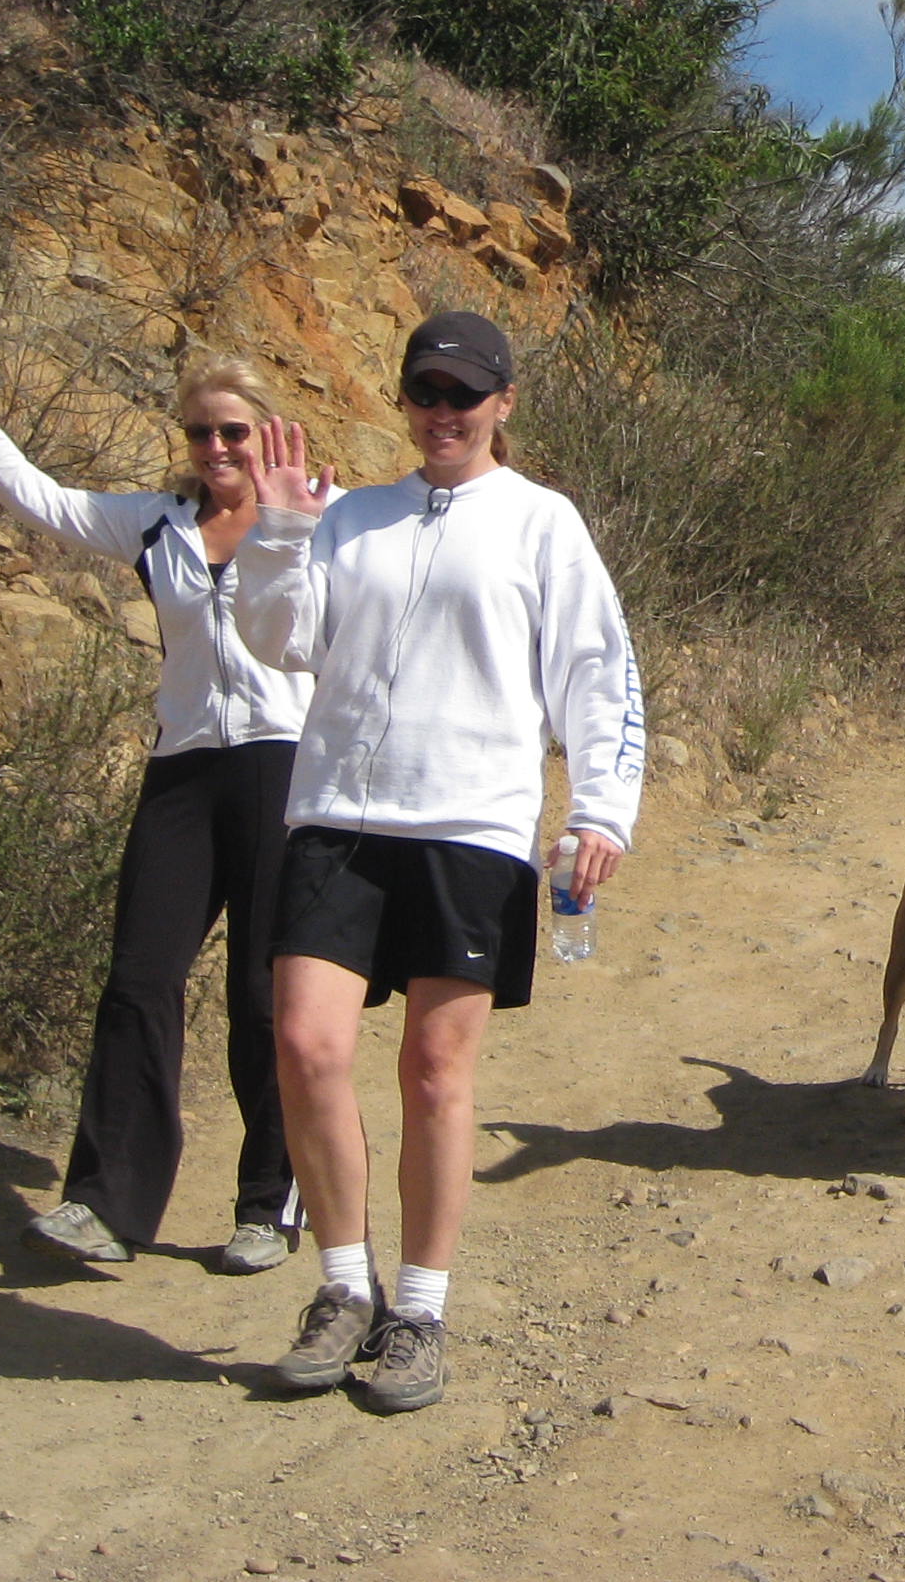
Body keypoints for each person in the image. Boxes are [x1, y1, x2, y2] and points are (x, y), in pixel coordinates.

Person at [238, 311, 645, 1415]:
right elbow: (280, 642)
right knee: (306, 1044)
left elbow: (599, 674)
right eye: (426, 391)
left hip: (471, 826)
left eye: (466, 394)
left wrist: (600, 810)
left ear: (505, 403)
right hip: (336, 818)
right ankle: (341, 1285)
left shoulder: (542, 524)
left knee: (432, 1072)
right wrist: (278, 534)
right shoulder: (350, 519)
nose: (444, 413)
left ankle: (418, 1308)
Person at [0, 305, 310, 1276]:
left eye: (234, 429)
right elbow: (38, 499)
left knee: (264, 999)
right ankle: (105, 1203)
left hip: (281, 767)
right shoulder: (154, 522)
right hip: (182, 769)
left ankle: (270, 1201)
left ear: (264, 431)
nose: (217, 446)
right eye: (200, 431)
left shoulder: (315, 516)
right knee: (140, 977)